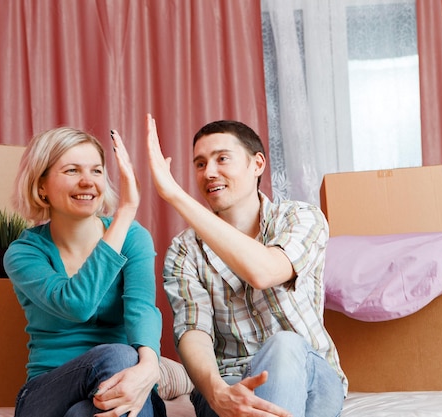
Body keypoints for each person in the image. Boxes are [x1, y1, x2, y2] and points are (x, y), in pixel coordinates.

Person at [145, 114, 347, 417]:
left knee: (284, 345)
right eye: (200, 164)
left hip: (309, 376)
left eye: (221, 159)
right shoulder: (184, 249)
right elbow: (192, 330)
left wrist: (175, 195)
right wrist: (216, 391)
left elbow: (264, 272)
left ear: (257, 165)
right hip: (226, 385)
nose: (209, 172)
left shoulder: (300, 218)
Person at [4, 126, 166, 417]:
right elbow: (77, 304)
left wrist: (149, 367)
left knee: (83, 412)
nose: (87, 182)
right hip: (48, 393)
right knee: (119, 353)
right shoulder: (24, 253)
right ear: (41, 186)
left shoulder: (134, 237)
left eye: (96, 171)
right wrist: (126, 211)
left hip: (126, 387)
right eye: (72, 171)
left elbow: (141, 309)